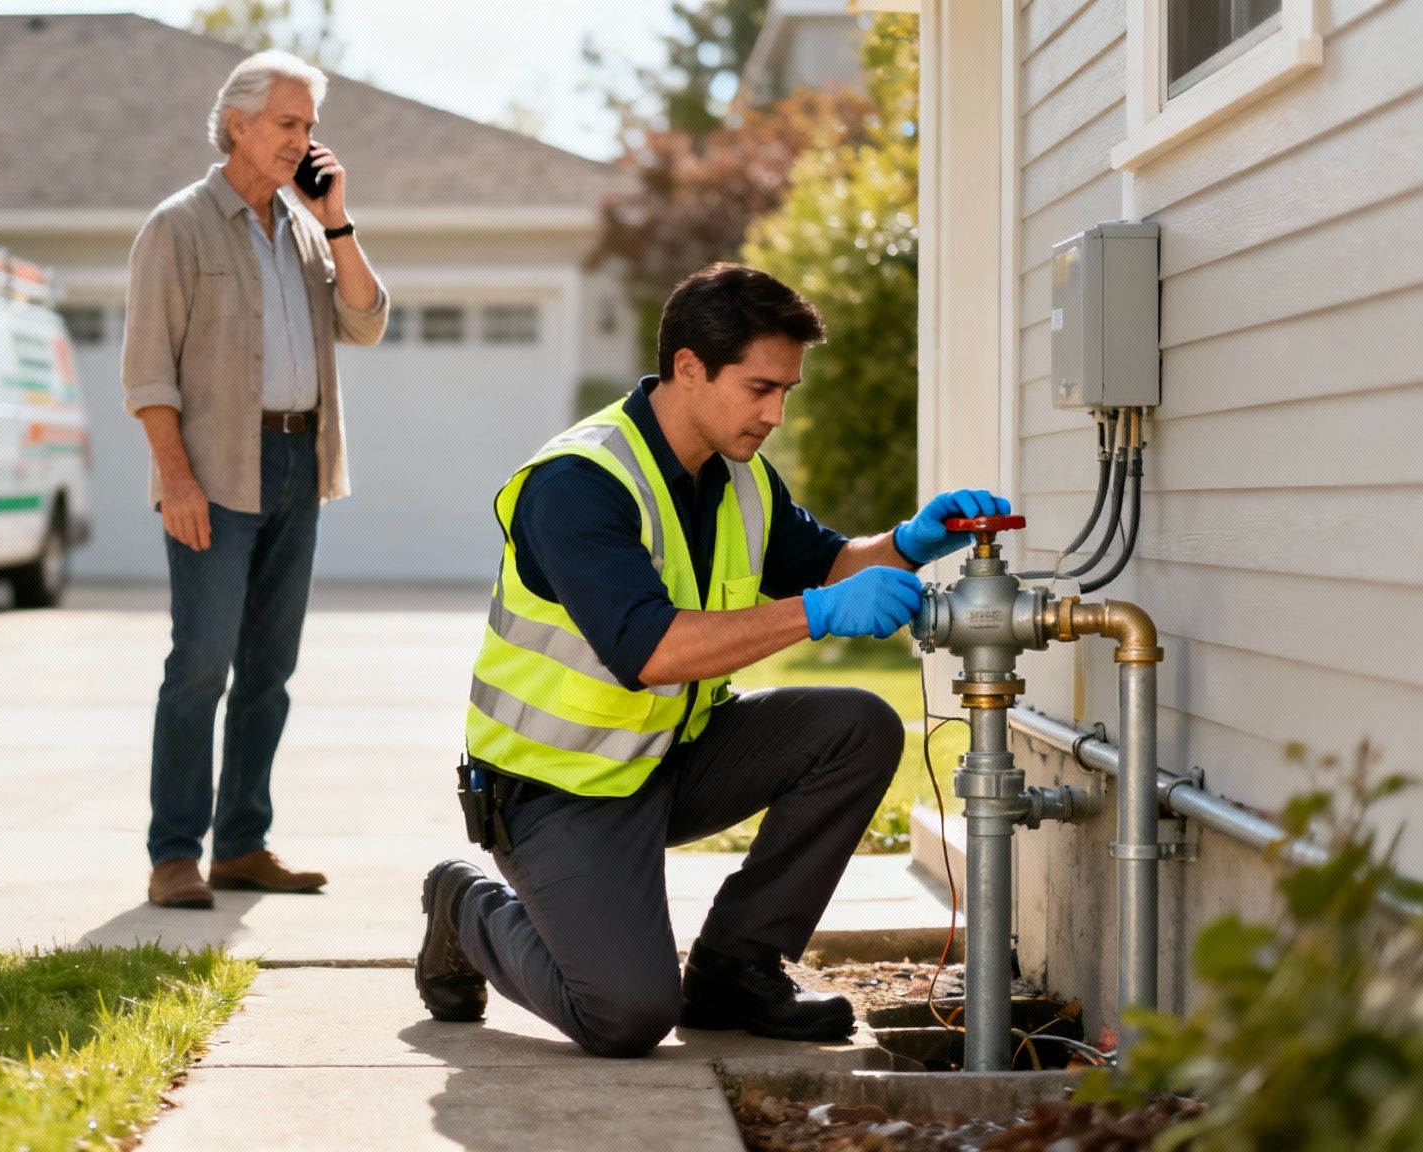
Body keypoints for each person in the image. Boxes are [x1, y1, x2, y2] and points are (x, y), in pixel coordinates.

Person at [414, 263, 1009, 1057]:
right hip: (554, 789)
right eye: (761, 388)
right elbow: (651, 649)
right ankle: (467, 904)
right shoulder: (578, 484)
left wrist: (905, 544)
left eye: (787, 391)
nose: (777, 413)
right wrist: (819, 615)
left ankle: (735, 967)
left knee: (856, 726)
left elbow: (827, 563)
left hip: (668, 758)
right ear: (689, 366)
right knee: (624, 1016)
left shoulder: (739, 477)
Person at [121, 50, 389, 910]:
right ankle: (174, 855)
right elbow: (148, 375)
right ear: (237, 124)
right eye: (289, 124)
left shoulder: (309, 230)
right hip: (214, 470)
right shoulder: (178, 227)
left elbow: (365, 322)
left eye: (310, 127)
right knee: (200, 665)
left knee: (269, 669)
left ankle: (242, 844)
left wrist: (338, 220)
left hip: (297, 464)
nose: (303, 141)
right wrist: (179, 481)